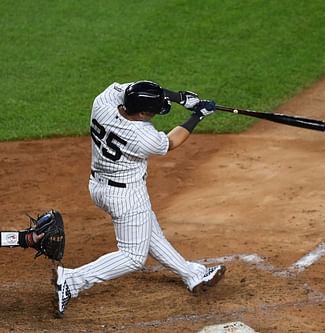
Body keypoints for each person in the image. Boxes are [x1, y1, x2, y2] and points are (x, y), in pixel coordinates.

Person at [53, 81, 225, 318]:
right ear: (142, 113)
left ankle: (192, 274)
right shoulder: (143, 137)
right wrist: (198, 115)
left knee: (149, 232)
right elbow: (172, 142)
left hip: (98, 185)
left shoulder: (103, 101)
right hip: (125, 196)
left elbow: (136, 87)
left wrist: (180, 98)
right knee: (133, 257)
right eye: (153, 111)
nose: (155, 114)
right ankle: (72, 280)